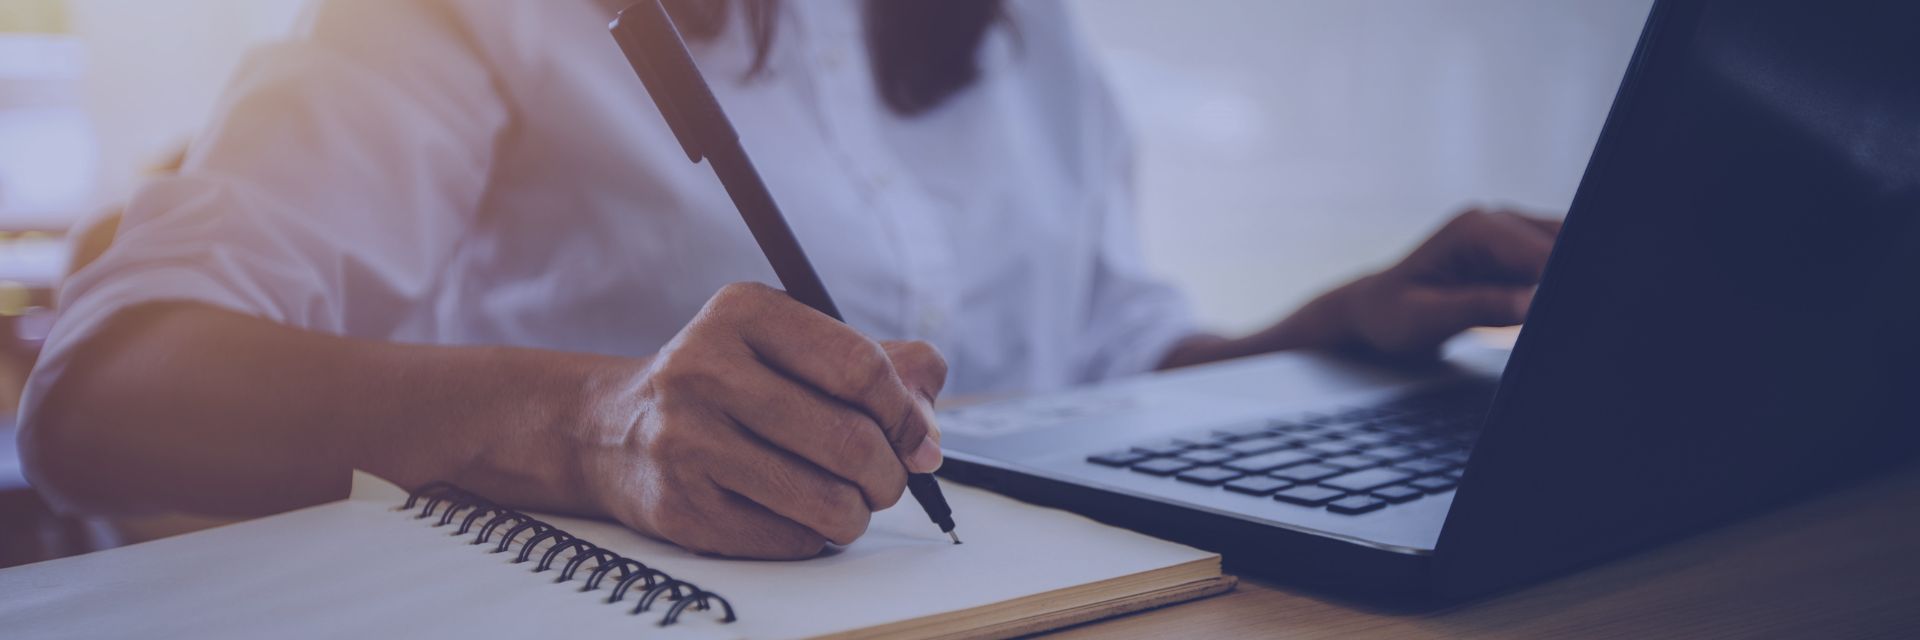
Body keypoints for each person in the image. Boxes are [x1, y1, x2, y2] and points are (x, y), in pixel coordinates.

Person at [18, 0, 1560, 559]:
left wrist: (1329, 329)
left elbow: (1091, 355)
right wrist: (595, 426)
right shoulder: (465, 16)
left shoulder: (1014, 29)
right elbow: (100, 394)